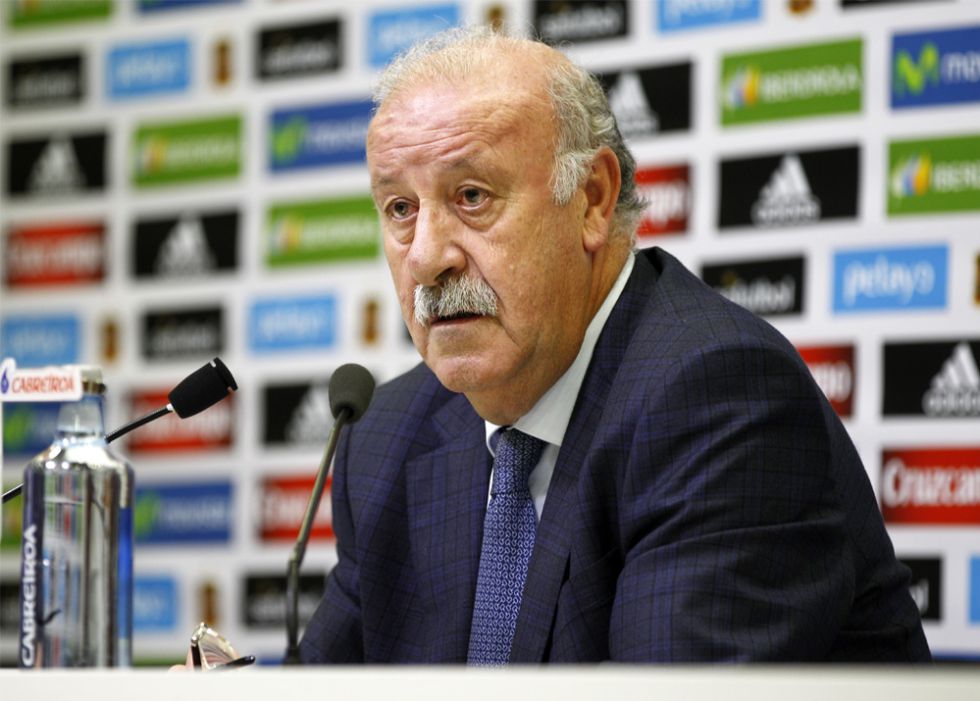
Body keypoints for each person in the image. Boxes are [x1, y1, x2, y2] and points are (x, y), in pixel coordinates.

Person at [298, 27, 931, 663]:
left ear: (592, 200)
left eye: (472, 197)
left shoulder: (719, 401)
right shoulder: (386, 437)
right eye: (400, 209)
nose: (426, 258)